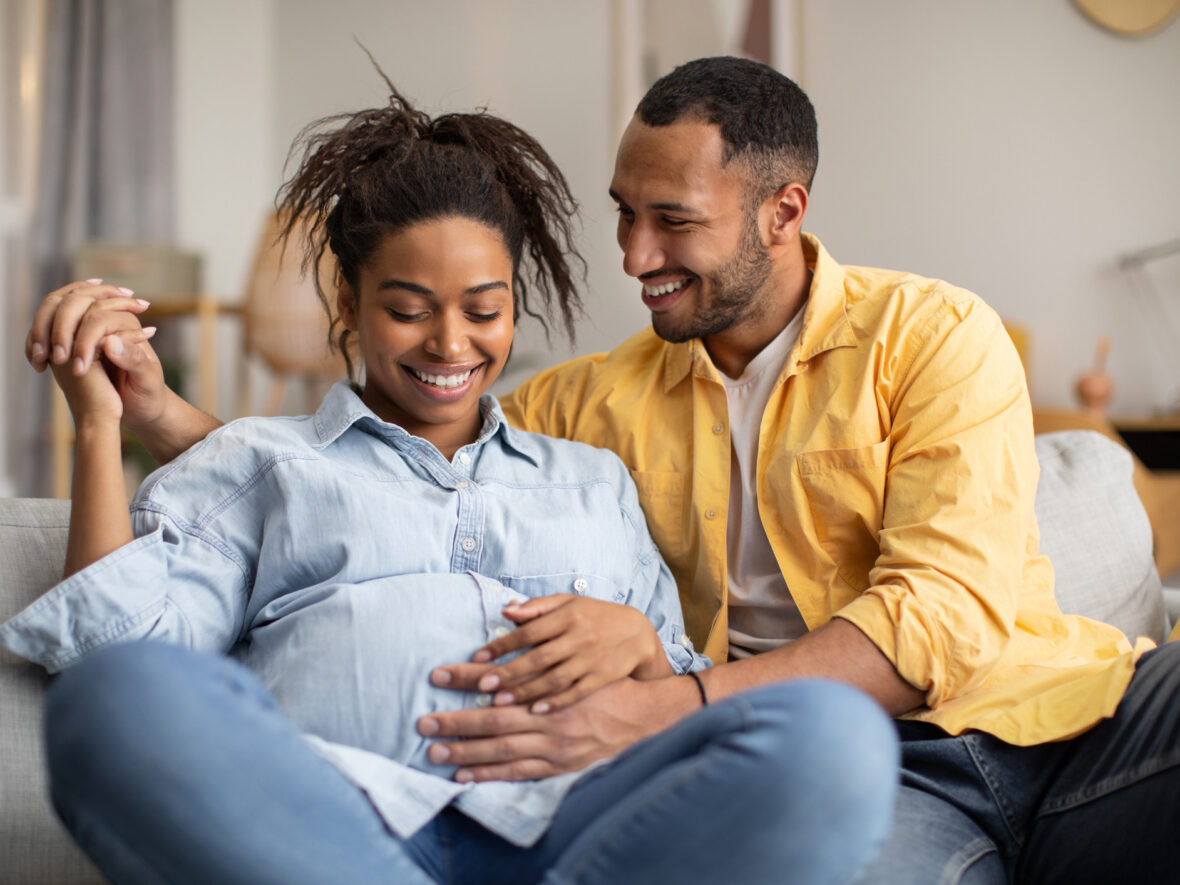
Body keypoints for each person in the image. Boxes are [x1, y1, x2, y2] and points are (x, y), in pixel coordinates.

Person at [25, 54, 1180, 882]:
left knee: (854, 736)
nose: (633, 257)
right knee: (818, 797)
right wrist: (152, 417)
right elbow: (398, 452)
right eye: (625, 215)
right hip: (879, 775)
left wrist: (657, 687)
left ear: (782, 212)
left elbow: (941, 619)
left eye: (670, 222)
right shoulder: (581, 405)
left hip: (1060, 717)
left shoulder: (927, 335)